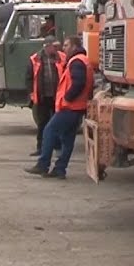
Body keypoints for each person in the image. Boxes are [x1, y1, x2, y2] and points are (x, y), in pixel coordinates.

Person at [25, 36, 92, 179]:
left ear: (74, 46)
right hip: (77, 107)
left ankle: (43, 165)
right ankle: (60, 169)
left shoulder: (76, 61)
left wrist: (67, 98)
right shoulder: (82, 60)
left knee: (49, 131)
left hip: (70, 107)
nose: (64, 48)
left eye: (66, 45)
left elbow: (78, 83)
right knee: (67, 139)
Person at [25, 37, 62, 157]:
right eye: (54, 46)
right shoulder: (34, 59)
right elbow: (29, 77)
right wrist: (31, 92)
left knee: (57, 123)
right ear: (47, 46)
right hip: (42, 96)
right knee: (42, 123)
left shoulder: (61, 57)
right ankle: (40, 148)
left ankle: (57, 147)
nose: (56, 49)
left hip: (58, 96)